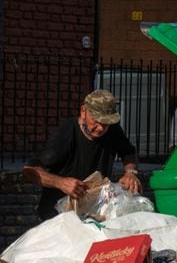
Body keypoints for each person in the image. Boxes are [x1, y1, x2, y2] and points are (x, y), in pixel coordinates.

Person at [23, 89, 142, 221]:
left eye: (106, 123)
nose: (101, 128)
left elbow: (128, 152)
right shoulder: (66, 133)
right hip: (58, 215)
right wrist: (61, 183)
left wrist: (130, 172)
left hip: (94, 212)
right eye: (96, 121)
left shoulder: (113, 130)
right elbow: (30, 170)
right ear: (83, 112)